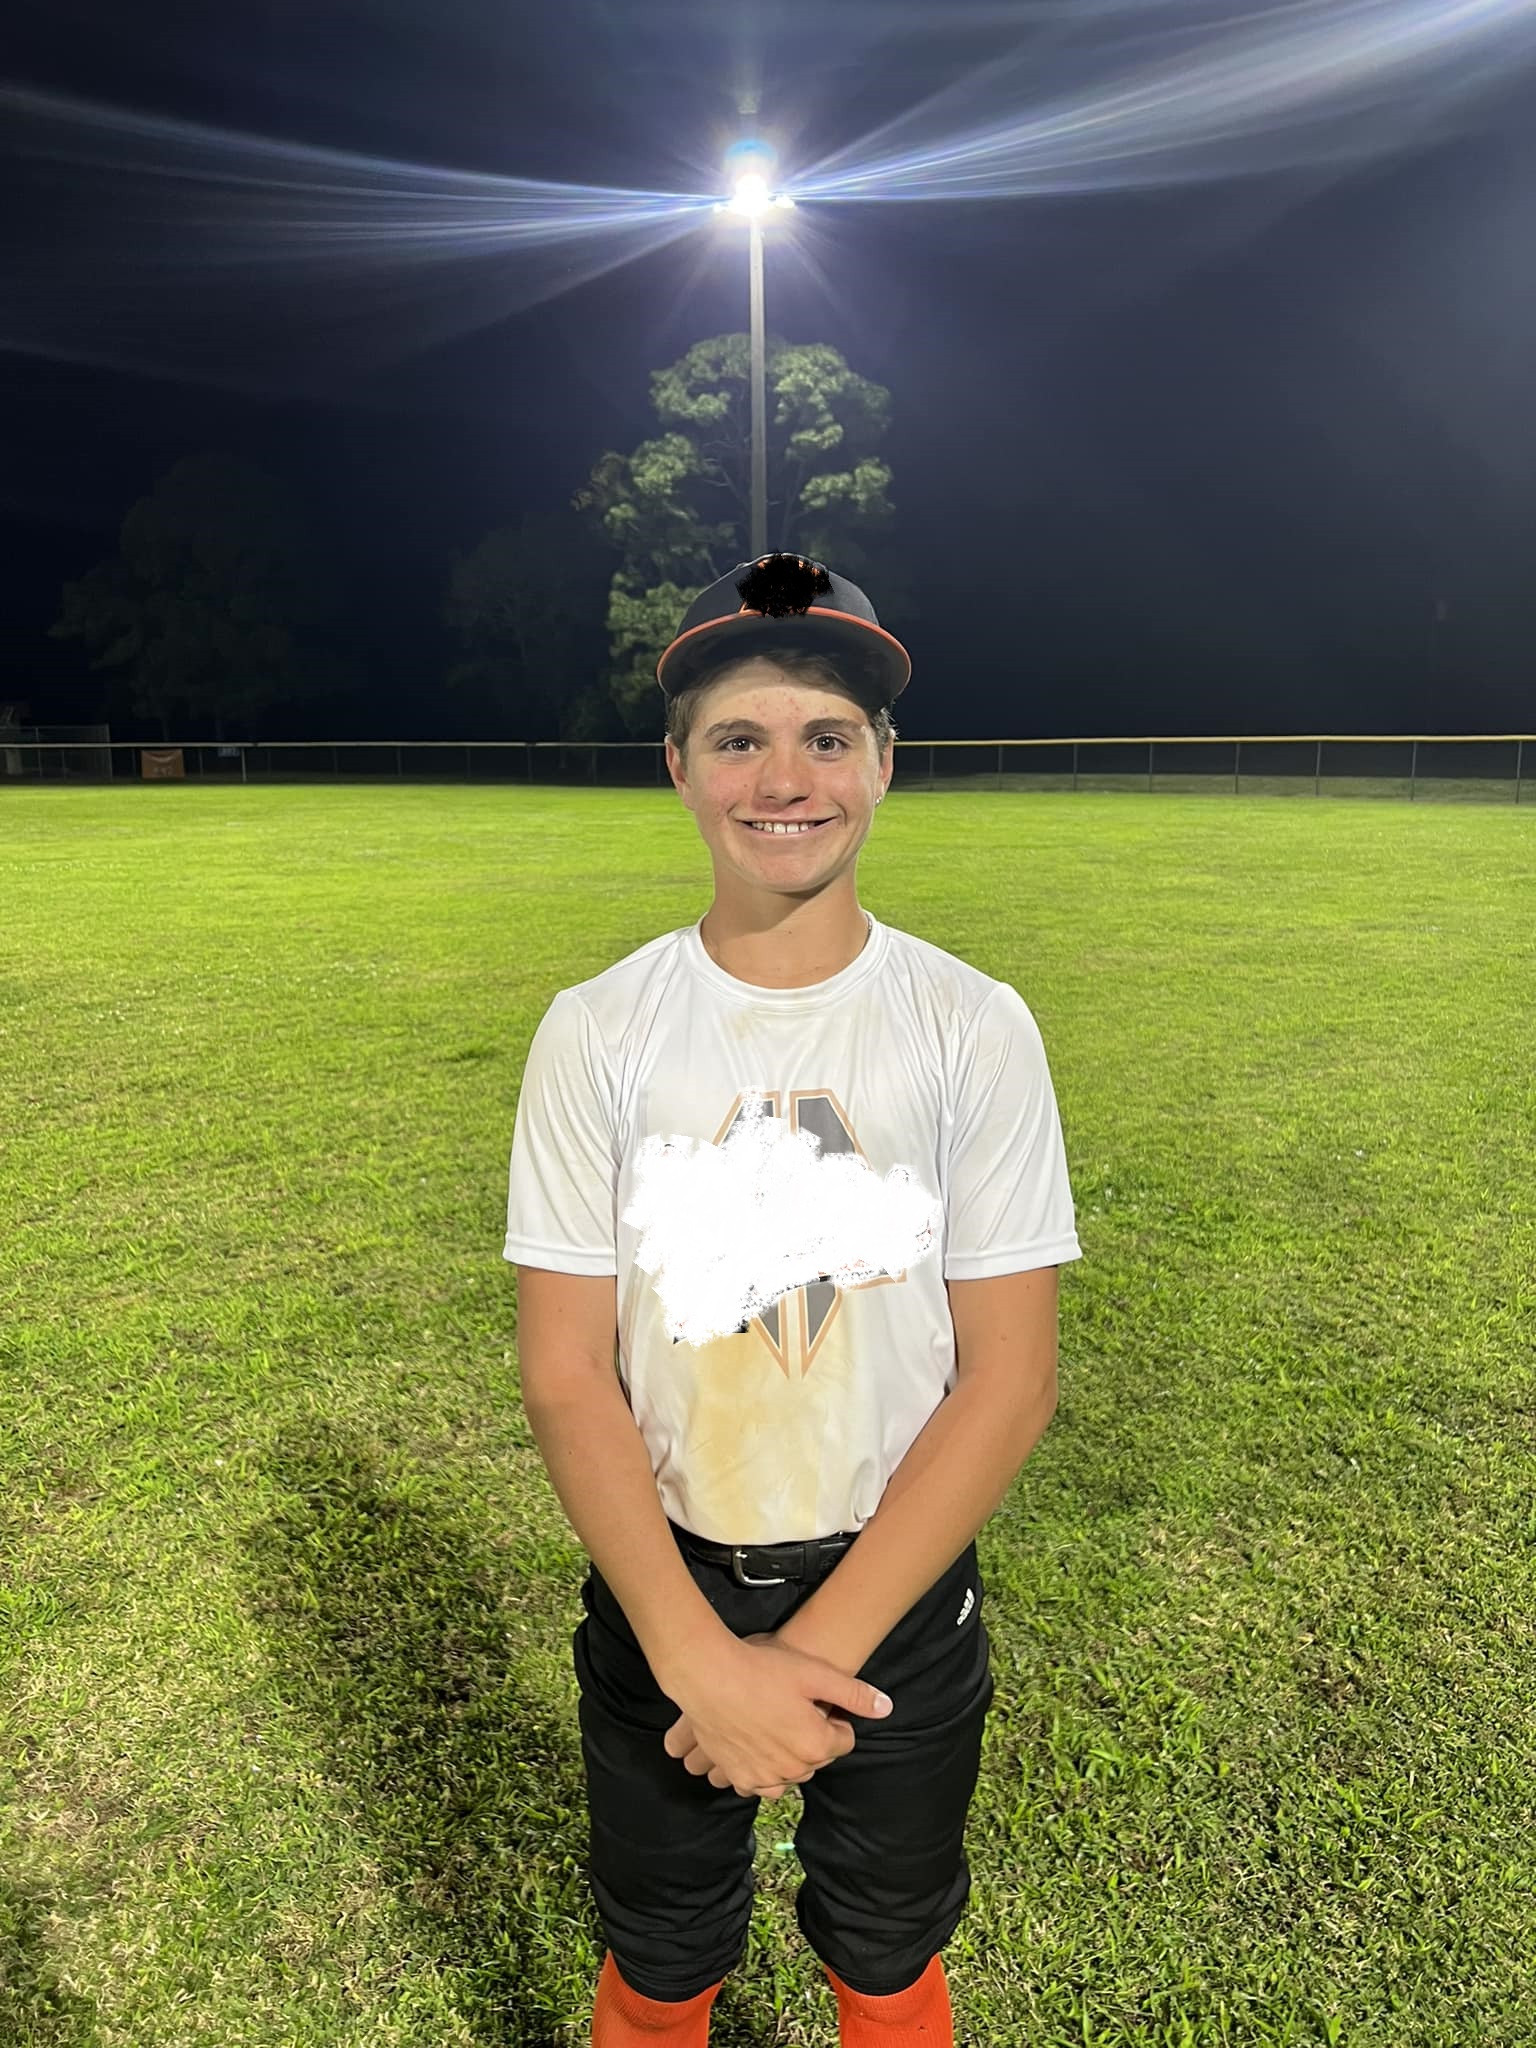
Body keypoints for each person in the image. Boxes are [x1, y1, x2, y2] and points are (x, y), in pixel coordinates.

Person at [504, 553, 1082, 2046]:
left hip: (899, 1582)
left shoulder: (971, 1025)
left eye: (827, 737)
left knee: (887, 1955)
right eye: (739, 740)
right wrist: (699, 1659)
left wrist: (809, 1664)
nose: (784, 779)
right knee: (661, 1961)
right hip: (666, 1586)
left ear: (884, 763)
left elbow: (1010, 1377)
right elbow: (566, 1371)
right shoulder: (598, 1030)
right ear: (678, 768)